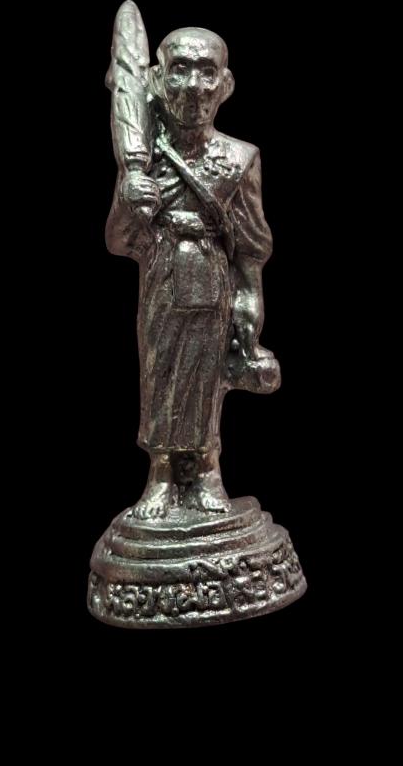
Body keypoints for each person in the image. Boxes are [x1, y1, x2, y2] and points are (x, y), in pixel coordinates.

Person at [106, 27, 278, 518]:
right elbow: (119, 242)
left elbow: (251, 246)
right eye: (180, 70)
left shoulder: (239, 159)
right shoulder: (144, 160)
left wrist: (250, 300)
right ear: (157, 80)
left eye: (207, 72)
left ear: (225, 85)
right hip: (162, 276)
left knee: (206, 377)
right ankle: (161, 474)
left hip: (210, 277)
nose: (194, 86)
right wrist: (129, 200)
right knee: (159, 374)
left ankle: (206, 471)